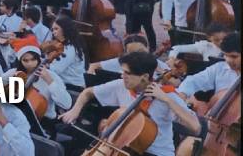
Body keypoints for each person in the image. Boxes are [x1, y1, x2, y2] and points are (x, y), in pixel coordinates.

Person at [59, 52, 199, 156]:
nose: (122, 76)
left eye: (127, 73)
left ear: (144, 77)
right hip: (125, 148)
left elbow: (196, 127)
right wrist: (75, 111)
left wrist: (167, 100)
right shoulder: (122, 85)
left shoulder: (168, 95)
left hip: (156, 153)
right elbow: (88, 92)